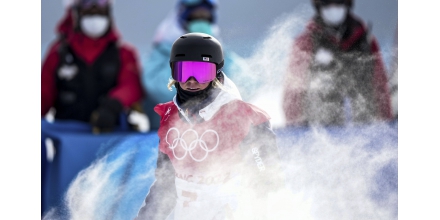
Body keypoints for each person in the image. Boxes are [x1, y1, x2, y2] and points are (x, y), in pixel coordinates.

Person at [134, 33, 284, 220]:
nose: (191, 80)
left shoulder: (243, 118)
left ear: (216, 75)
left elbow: (265, 177)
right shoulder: (170, 118)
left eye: (201, 73)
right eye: (183, 71)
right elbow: (165, 187)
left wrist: (261, 168)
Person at [141, 0, 252, 131]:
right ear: (183, 19)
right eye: (194, 17)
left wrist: (211, 54)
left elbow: (247, 86)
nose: (200, 22)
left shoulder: (219, 51)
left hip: (213, 133)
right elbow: (160, 90)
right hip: (165, 132)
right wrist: (186, 57)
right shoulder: (163, 51)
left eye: (205, 18)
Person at [41, 0, 147, 133]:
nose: (94, 9)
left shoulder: (123, 53)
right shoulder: (58, 53)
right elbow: (42, 97)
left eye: (101, 4)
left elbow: (133, 86)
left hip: (111, 138)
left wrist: (112, 105)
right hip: (66, 139)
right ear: (75, 12)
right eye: (87, 4)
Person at [282, 0, 392, 126]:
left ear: (347, 4)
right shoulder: (306, 43)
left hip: (365, 130)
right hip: (320, 132)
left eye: (339, 2)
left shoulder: (366, 43)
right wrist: (295, 128)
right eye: (327, 3)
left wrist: (386, 126)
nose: (333, 8)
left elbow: (380, 87)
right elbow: (293, 91)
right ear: (319, 6)